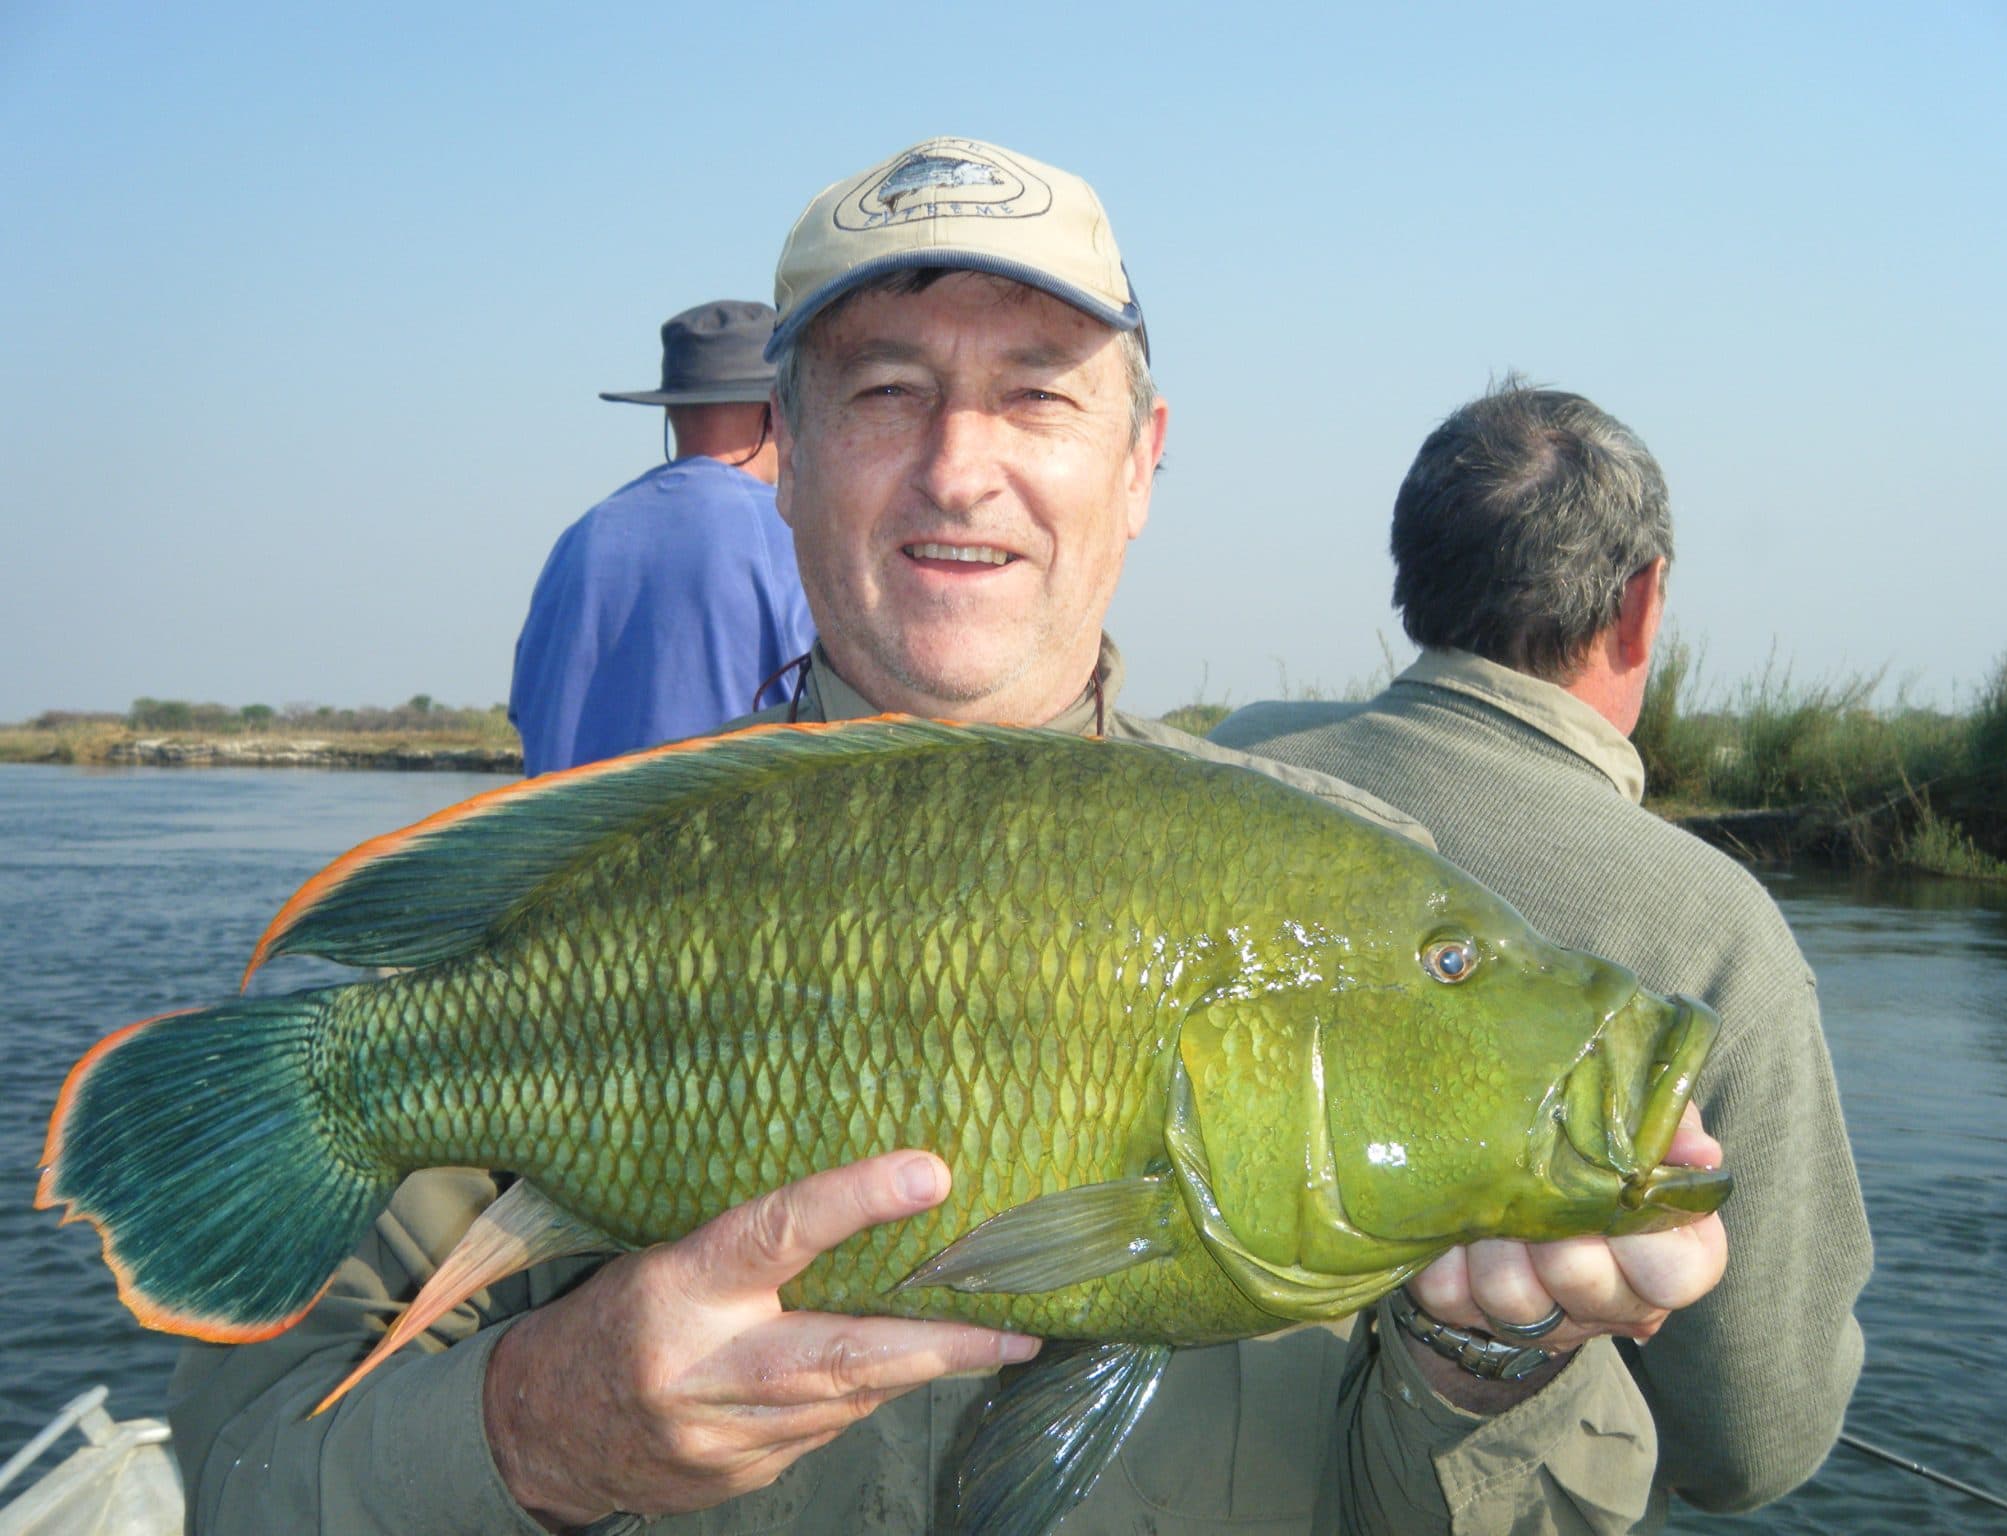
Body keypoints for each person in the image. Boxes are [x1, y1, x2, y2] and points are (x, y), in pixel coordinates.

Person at [168, 144, 1724, 1535]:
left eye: (1039, 388)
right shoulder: (601, 905)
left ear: (1141, 463)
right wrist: (538, 1432)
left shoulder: (1364, 874)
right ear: (784, 450)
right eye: (886, 390)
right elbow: (241, 1480)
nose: (958, 462)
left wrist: (1484, 1362)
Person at [1212, 380, 1872, 1528]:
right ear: (1641, 606)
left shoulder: (1223, 779)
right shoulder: (1715, 935)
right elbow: (1751, 1446)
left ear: (1412, 580)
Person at [508, 300, 815, 776]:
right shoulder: (791, 537)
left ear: (671, 410)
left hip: (562, 848)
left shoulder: (578, 541)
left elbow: (528, 713)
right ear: (777, 412)